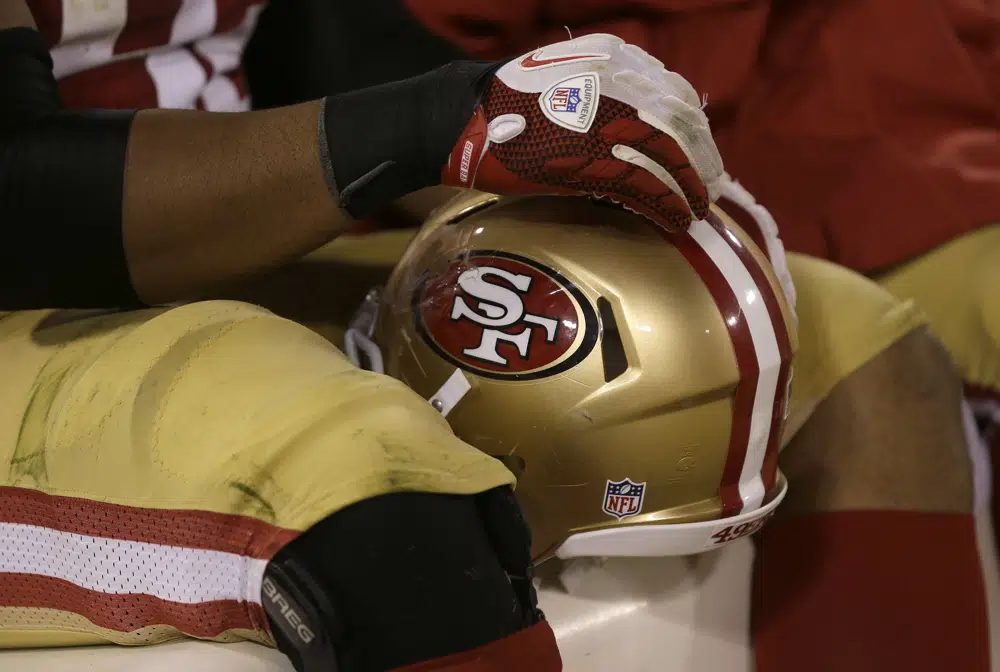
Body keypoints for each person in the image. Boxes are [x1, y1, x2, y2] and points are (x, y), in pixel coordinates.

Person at [239, 2, 997, 669]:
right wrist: (492, 144)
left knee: (881, 358)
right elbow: (363, 67)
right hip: (309, 198)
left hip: (897, 138)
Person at [0, 1, 726, 671]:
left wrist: (586, 171)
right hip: (30, 291)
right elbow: (19, 211)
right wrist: (434, 122)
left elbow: (315, 41)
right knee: (376, 494)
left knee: (801, 334)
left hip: (203, 249)